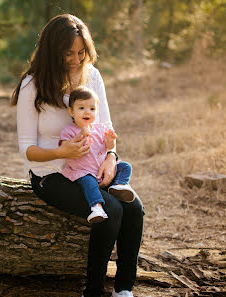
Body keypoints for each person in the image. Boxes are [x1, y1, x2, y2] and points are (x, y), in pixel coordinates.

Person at [11, 14, 144, 297]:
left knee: (134, 208)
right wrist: (62, 151)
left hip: (92, 166)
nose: (75, 59)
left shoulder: (92, 75)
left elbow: (106, 127)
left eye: (81, 52)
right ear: (52, 50)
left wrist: (110, 156)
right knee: (112, 209)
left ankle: (124, 290)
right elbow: (26, 148)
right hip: (51, 175)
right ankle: (93, 290)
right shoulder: (32, 85)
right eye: (68, 53)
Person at [60, 86, 138, 224]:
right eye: (81, 108)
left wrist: (110, 142)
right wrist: (80, 136)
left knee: (126, 166)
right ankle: (96, 208)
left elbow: (108, 149)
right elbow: (64, 148)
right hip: (84, 171)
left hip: (102, 170)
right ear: (71, 111)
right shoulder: (69, 131)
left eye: (92, 109)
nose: (87, 112)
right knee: (88, 183)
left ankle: (119, 186)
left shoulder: (100, 128)